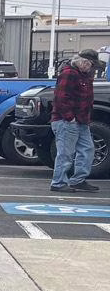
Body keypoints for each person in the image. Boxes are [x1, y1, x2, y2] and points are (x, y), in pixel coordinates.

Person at [50, 49, 101, 193]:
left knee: (87, 150)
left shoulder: (81, 75)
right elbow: (61, 98)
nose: (92, 68)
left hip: (79, 120)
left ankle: (77, 180)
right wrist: (70, 117)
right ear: (84, 62)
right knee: (66, 153)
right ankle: (59, 182)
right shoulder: (69, 74)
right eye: (91, 65)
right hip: (68, 120)